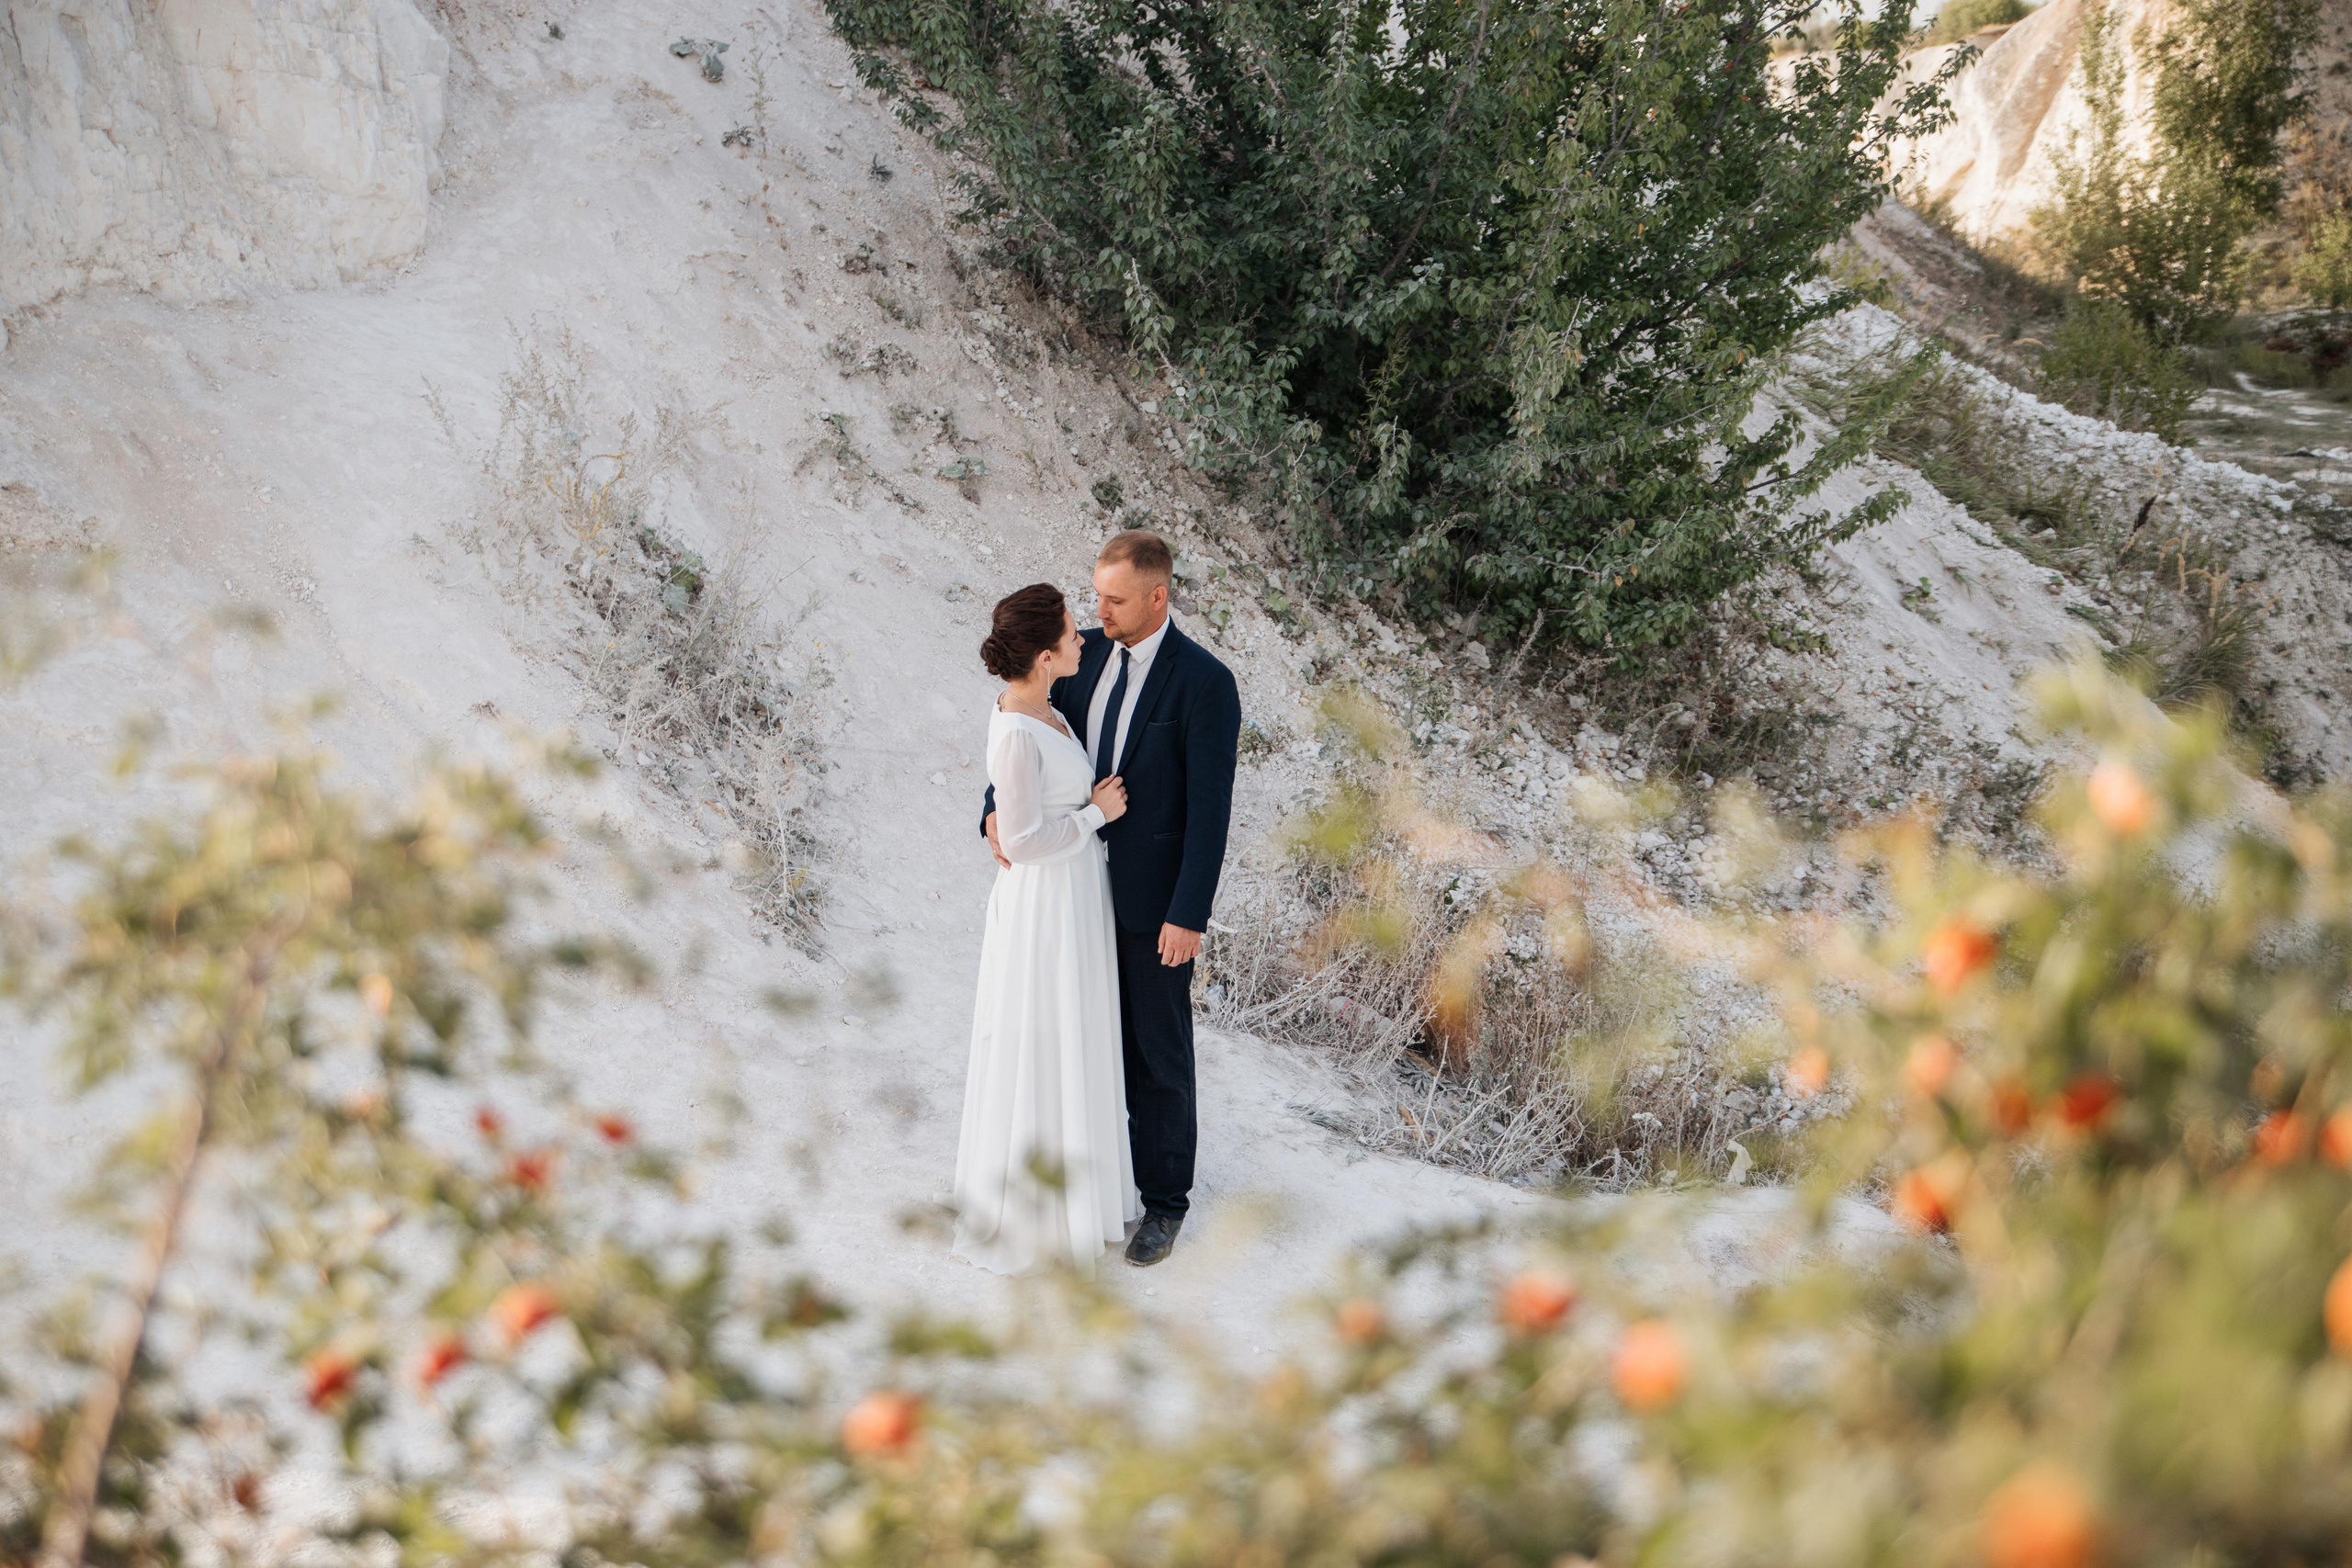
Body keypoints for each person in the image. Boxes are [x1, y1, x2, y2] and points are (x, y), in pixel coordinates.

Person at [980, 530, 1242, 1267]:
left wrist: (1188, 913)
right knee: (1084, 1041)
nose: (1099, 611)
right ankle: (1099, 1183)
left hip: (1150, 901)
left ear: (1159, 596)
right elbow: (1024, 735)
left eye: (1115, 599)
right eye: (1096, 595)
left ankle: (1165, 1202)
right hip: (1067, 894)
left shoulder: (1205, 683)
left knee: (1157, 1050)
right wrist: (992, 813)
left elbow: (1209, 810)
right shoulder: (1078, 652)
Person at [953, 582, 1139, 1275]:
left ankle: (1080, 1195)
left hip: (1074, 890)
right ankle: (1038, 1212)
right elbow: (1023, 839)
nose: (1082, 638)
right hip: (1045, 901)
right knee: (1044, 1037)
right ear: (1042, 655)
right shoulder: (1016, 727)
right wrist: (1096, 815)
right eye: (1068, 633)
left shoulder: (1042, 705)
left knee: (1076, 1032)